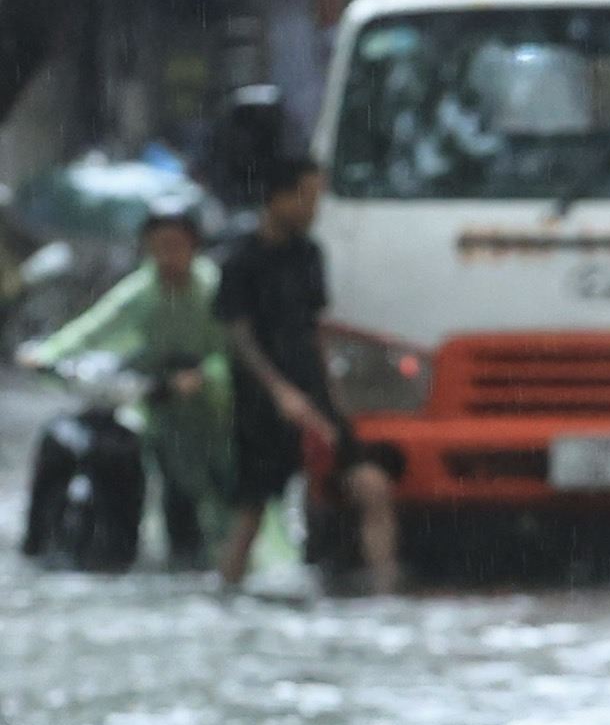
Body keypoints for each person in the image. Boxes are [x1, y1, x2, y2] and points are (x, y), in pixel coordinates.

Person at [214, 154, 400, 594]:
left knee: (372, 487)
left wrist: (332, 397)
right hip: (262, 404)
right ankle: (226, 592)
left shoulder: (310, 254)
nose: (315, 210)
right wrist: (280, 392)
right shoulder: (240, 261)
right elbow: (239, 337)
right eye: (308, 198)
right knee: (251, 513)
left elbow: (314, 329)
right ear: (278, 198)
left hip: (315, 395)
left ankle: (384, 592)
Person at [23, 203, 232, 566]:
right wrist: (47, 352)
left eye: (176, 245)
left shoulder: (211, 287)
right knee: (170, 486)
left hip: (213, 406)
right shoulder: (143, 288)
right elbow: (96, 324)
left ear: (193, 246)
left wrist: (203, 376)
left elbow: (232, 349)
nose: (167, 255)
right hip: (162, 399)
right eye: (159, 245)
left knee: (221, 490)